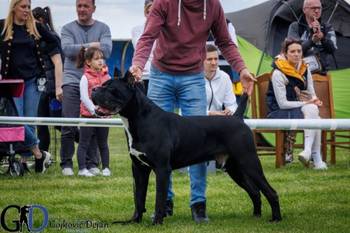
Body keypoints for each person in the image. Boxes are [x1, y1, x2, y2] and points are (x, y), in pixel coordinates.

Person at [130, 0, 255, 223]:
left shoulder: (213, 6)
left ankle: (198, 204)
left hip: (193, 77)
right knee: (157, 146)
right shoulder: (164, 3)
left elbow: (225, 41)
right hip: (161, 75)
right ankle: (165, 204)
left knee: (199, 142)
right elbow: (148, 36)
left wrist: (242, 69)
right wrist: (139, 64)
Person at [0, 0, 58, 170]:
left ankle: (25, 162)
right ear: (14, 8)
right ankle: (39, 153)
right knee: (16, 121)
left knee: (29, 120)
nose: (26, 11)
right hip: (11, 83)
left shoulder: (36, 27)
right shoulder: (3, 26)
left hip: (34, 81)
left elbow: (55, 41)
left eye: (28, 7)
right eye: (23, 7)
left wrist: (51, 54)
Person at [60, 0, 112, 176]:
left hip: (96, 84)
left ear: (93, 8)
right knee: (69, 124)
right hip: (71, 80)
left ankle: (92, 163)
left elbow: (107, 50)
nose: (81, 9)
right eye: (79, 6)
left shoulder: (103, 28)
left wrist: (85, 48)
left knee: (94, 124)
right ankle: (66, 163)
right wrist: (93, 45)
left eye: (85, 6)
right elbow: (67, 50)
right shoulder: (67, 28)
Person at [266, 38, 327, 170]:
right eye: (292, 51)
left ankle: (308, 152)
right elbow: (282, 104)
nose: (296, 54)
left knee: (313, 110)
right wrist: (308, 102)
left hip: (300, 108)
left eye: (299, 51)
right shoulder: (278, 72)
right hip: (278, 112)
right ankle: (316, 157)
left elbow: (311, 92)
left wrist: (315, 99)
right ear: (285, 53)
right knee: (315, 115)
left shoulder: (305, 68)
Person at [32, 6, 64, 153]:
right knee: (42, 124)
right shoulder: (38, 38)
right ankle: (43, 158)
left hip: (51, 90)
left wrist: (58, 88)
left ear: (40, 20)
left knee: (57, 124)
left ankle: (86, 142)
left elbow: (58, 63)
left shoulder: (49, 38)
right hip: (43, 89)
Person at [76, 47, 111, 177]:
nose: (100, 61)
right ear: (88, 62)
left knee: (103, 143)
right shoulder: (85, 78)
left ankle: (106, 168)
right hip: (87, 116)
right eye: (96, 59)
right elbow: (84, 97)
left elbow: (109, 95)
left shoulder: (107, 76)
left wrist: (106, 110)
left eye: (101, 58)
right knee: (84, 143)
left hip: (103, 117)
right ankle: (82, 169)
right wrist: (94, 110)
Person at [287, 0, 337, 74]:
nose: (317, 11)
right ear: (304, 10)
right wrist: (311, 41)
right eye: (313, 8)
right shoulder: (295, 26)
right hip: (300, 71)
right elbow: (294, 50)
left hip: (322, 72)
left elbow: (332, 49)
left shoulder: (327, 27)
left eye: (319, 8)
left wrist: (322, 38)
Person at [204, 44, 237, 116]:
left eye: (216, 59)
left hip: (218, 121)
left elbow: (232, 104)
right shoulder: (193, 79)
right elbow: (190, 110)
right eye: (209, 59)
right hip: (196, 122)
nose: (214, 63)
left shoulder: (225, 77)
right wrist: (210, 113)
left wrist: (230, 110)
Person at [131, 0, 154, 92]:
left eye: (153, 12)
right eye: (148, 12)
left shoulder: (165, 30)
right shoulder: (136, 30)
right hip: (142, 75)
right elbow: (140, 50)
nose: (150, 15)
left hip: (159, 75)